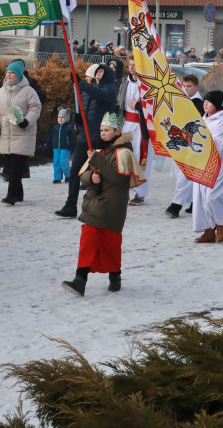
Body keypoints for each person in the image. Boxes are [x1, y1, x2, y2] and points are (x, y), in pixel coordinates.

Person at [61, 112, 144, 296]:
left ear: (117, 131)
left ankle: (115, 276)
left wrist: (96, 160)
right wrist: (92, 176)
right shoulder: (98, 151)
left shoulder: (124, 153)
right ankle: (80, 280)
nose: (103, 133)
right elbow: (83, 174)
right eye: (101, 130)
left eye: (107, 130)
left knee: (110, 244)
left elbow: (116, 177)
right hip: (94, 205)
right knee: (88, 240)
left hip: (112, 207)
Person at [55, 63, 118, 218]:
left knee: (99, 175)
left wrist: (80, 83)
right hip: (86, 137)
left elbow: (101, 95)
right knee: (75, 171)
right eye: (97, 70)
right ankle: (70, 206)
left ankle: (102, 207)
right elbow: (86, 110)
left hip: (100, 140)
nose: (98, 73)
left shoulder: (110, 89)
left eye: (102, 71)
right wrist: (79, 120)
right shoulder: (88, 91)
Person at [0, 62, 42, 206]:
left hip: (23, 133)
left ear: (19, 75)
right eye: (7, 72)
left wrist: (26, 121)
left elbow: (36, 108)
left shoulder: (28, 91)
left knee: (15, 166)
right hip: (7, 135)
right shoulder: (1, 91)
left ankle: (11, 196)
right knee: (11, 164)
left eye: (12, 73)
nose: (8, 75)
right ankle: (19, 194)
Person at [192, 90, 223, 242]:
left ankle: (221, 226)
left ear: (216, 104)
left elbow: (218, 145)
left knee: (212, 198)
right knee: (201, 200)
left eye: (210, 101)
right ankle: (208, 230)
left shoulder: (222, 123)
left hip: (218, 164)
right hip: (202, 164)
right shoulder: (203, 120)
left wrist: (199, 143)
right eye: (205, 100)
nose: (205, 103)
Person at [165, 73, 202, 218]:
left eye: (189, 86)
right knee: (183, 173)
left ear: (196, 87)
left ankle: (176, 205)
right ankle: (195, 203)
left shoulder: (198, 103)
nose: (186, 89)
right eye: (184, 86)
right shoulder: (183, 99)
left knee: (185, 174)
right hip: (181, 141)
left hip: (190, 143)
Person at [121, 58, 154, 206]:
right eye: (130, 65)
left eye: (135, 65)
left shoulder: (148, 85)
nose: (132, 67)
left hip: (142, 127)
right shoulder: (125, 82)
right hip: (126, 124)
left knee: (141, 158)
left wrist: (140, 106)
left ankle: (140, 194)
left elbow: (154, 107)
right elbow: (119, 102)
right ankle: (123, 189)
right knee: (125, 157)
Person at [42, 108, 77, 184]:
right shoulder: (55, 127)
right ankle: (57, 178)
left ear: (66, 118)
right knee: (56, 163)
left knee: (63, 162)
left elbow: (74, 136)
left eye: (63, 117)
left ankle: (68, 176)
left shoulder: (69, 127)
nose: (60, 119)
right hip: (56, 148)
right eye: (59, 117)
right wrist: (46, 144)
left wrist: (74, 130)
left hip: (66, 147)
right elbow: (51, 137)